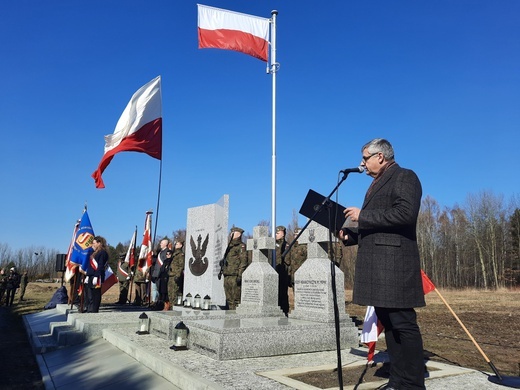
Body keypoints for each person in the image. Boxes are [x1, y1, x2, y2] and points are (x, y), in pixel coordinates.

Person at [339, 138, 426, 390]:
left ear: (380, 156)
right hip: (379, 266)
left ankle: (412, 384)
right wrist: (350, 234)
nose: (362, 164)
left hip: (395, 265)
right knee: (390, 324)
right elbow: (379, 227)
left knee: (403, 323)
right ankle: (398, 381)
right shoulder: (377, 183)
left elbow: (405, 214)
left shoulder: (404, 176)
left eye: (365, 158)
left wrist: (362, 216)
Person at [221, 227, 247, 310]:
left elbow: (243, 262)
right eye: (231, 232)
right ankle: (230, 317)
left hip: (235, 275)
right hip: (227, 274)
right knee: (229, 299)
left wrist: (240, 275)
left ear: (239, 234)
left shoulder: (241, 246)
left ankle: (236, 319)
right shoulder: (229, 246)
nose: (231, 234)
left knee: (236, 299)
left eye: (233, 232)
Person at [84, 236, 109, 313]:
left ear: (99, 243)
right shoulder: (94, 252)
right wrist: (88, 275)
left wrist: (96, 276)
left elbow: (100, 265)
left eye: (94, 243)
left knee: (96, 294)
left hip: (97, 276)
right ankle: (90, 308)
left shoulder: (102, 253)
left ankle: (95, 309)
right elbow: (90, 265)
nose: (93, 244)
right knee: (90, 293)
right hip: (91, 275)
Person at [274, 226, 291, 316]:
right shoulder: (272, 244)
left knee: (282, 294)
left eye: (278, 233)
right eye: (275, 233)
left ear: (283, 234)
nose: (276, 235)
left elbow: (288, 261)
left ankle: (285, 312)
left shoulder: (286, 245)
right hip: (274, 272)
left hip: (282, 273)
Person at [168, 238, 185, 308]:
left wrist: (178, 275)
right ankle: (171, 306)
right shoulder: (174, 254)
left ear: (181, 245)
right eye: (175, 244)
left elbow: (181, 266)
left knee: (175, 293)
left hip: (175, 275)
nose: (175, 245)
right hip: (171, 275)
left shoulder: (180, 254)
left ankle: (174, 307)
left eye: (177, 244)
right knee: (170, 293)